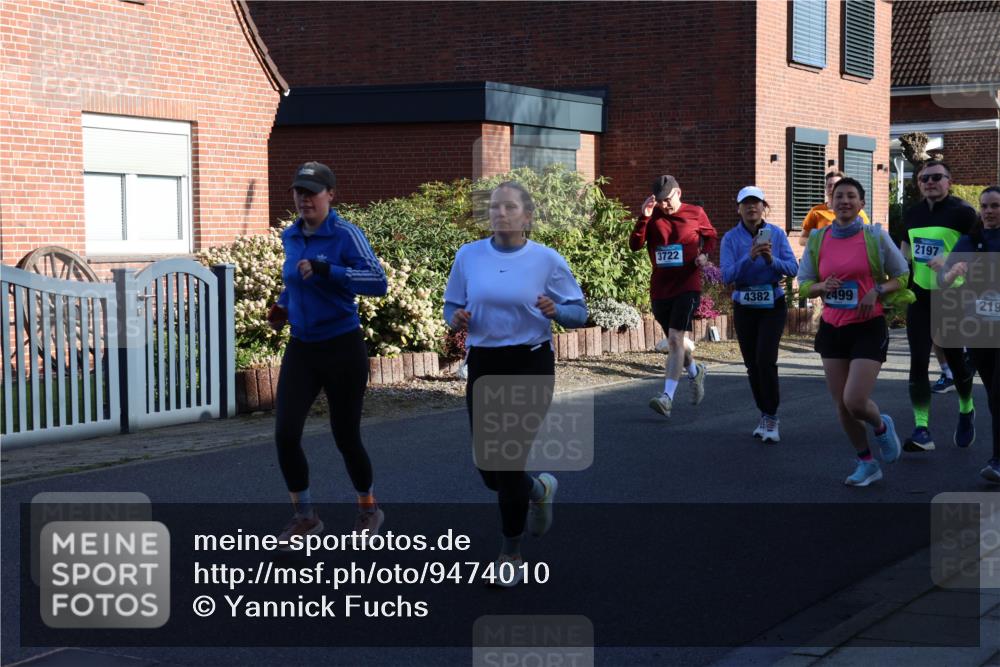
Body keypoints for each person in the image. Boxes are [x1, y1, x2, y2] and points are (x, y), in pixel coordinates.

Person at [444, 181, 587, 587]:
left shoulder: (546, 260)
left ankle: (511, 552)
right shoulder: (469, 256)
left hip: (530, 363)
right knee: (489, 470)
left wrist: (556, 309)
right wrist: (455, 318)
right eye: (494, 207)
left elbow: (579, 312)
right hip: (485, 365)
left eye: (509, 207)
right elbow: (451, 304)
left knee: (507, 462)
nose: (500, 213)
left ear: (527, 216)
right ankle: (538, 490)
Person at [266, 161, 388, 542]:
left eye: (312, 192)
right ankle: (306, 516)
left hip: (342, 346)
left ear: (330, 195)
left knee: (345, 435)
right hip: (302, 346)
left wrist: (326, 270)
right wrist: (283, 305)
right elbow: (294, 280)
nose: (304, 199)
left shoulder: (345, 235)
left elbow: (377, 282)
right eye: (299, 192)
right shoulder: (291, 236)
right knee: (285, 434)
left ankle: (368, 507)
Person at [797, 177, 908, 486]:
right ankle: (867, 462)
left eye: (851, 197)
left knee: (855, 400)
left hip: (868, 326)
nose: (844, 201)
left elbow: (902, 275)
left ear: (861, 204)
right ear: (830, 204)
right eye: (838, 196)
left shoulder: (875, 236)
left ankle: (881, 426)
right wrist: (822, 286)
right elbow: (804, 284)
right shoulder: (819, 239)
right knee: (841, 406)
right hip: (833, 327)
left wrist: (878, 290)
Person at [900, 160, 978, 452]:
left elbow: (978, 253)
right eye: (924, 178)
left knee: (957, 362)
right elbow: (905, 251)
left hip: (951, 296)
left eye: (936, 177)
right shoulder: (912, 213)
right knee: (918, 361)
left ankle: (967, 408)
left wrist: (952, 261)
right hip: (920, 296)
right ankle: (922, 429)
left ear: (949, 181)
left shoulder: (963, 213)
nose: (930, 182)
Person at [630, 175, 718, 418]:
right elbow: (635, 245)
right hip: (660, 287)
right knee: (674, 342)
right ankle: (695, 371)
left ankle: (667, 397)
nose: (664, 205)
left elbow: (710, 236)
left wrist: (705, 255)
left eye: (667, 200)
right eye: (660, 201)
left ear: (678, 193)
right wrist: (644, 217)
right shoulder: (652, 215)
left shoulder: (695, 213)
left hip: (687, 285)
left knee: (676, 339)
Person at [720, 187, 799, 442]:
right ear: (738, 208)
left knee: (766, 359)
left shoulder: (775, 233)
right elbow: (726, 275)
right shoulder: (731, 238)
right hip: (744, 304)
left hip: (772, 304)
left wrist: (770, 260)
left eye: (756, 203)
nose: (751, 208)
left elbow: (792, 268)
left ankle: (772, 417)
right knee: (752, 364)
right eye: (746, 204)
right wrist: (749, 257)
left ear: (763, 206)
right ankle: (764, 414)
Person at [936, 185, 1000, 482]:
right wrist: (950, 272)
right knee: (991, 395)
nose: (989, 211)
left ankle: (998, 460)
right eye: (985, 206)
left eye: (995, 206)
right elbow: (944, 281)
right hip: (979, 328)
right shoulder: (967, 241)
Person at [798, 170, 871, 247]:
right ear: (825, 189)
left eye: (836, 185)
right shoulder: (815, 211)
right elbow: (802, 239)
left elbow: (869, 237)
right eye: (829, 185)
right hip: (824, 257)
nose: (832, 188)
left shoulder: (858, 212)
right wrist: (820, 243)